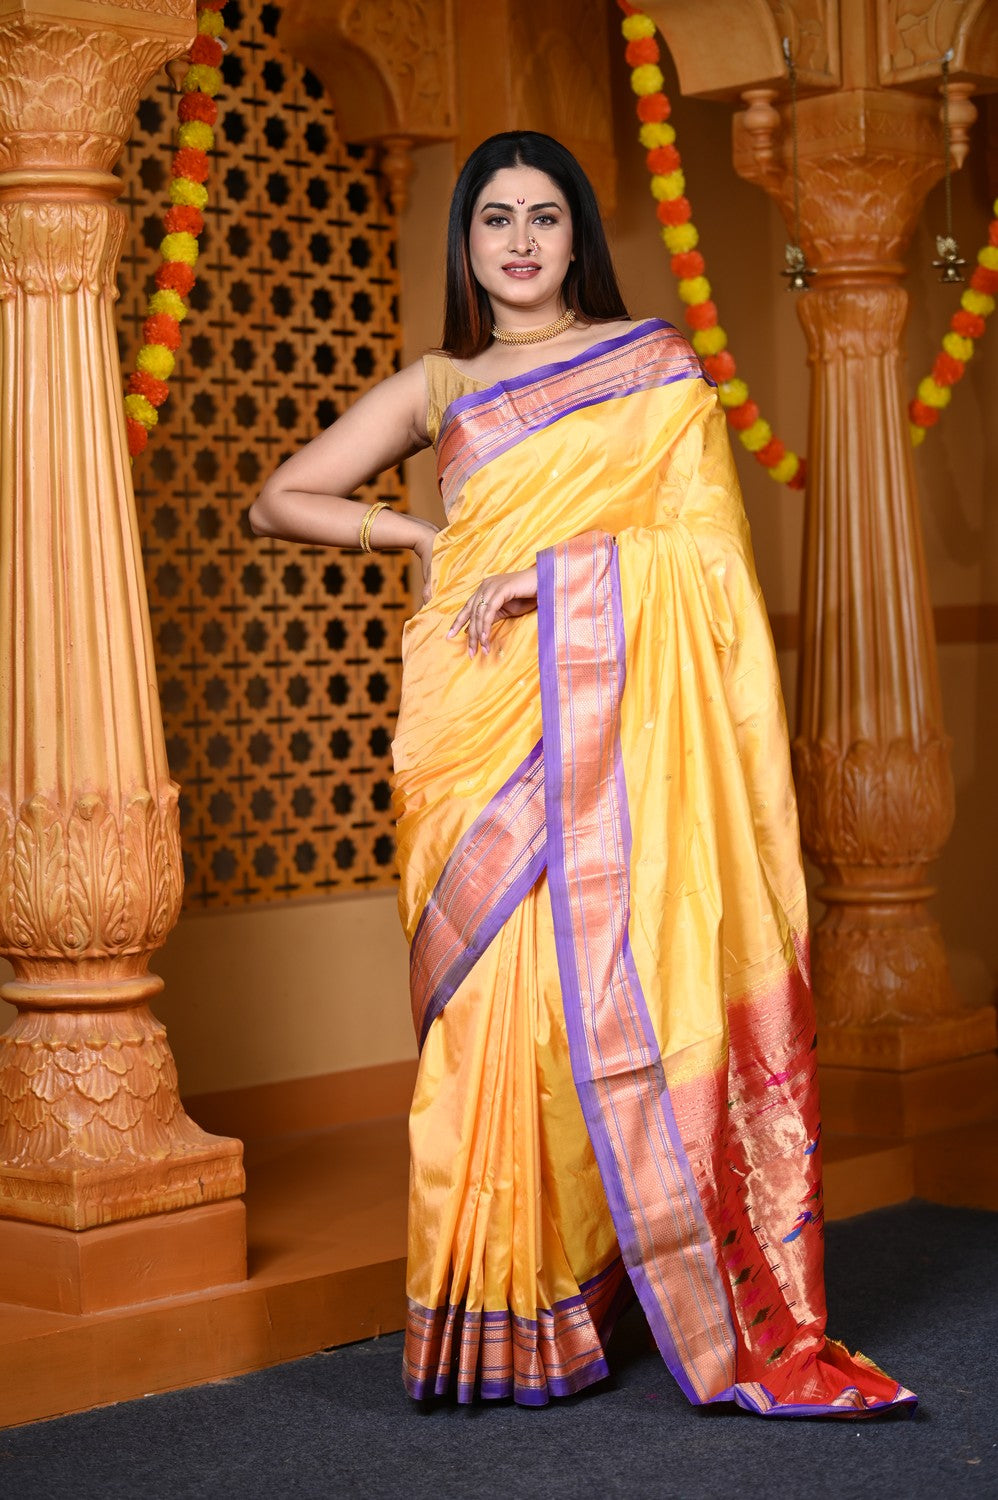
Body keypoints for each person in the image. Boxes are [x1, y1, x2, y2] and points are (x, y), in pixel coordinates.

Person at [250, 131, 915, 1417]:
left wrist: (552, 577)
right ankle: (500, 1310)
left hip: (612, 712)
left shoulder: (650, 366)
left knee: (586, 997)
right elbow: (281, 497)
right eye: (493, 217)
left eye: (542, 217)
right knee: (489, 1015)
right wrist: (422, 536)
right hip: (479, 715)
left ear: (575, 239)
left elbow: (705, 556)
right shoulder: (442, 381)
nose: (517, 240)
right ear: (465, 242)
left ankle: (600, 1275)